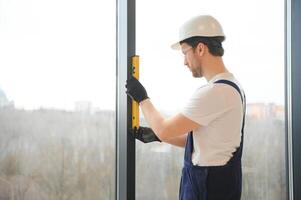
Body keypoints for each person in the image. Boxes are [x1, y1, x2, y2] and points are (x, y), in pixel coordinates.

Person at [126, 15, 246, 200]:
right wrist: (157, 136)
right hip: (214, 186)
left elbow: (165, 129)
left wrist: (142, 99)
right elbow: (198, 141)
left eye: (184, 52)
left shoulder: (215, 92)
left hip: (208, 189)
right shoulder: (232, 86)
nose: (184, 62)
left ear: (200, 48)